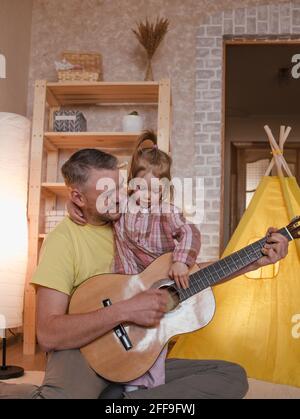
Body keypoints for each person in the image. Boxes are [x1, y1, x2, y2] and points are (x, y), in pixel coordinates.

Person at [0, 148, 289, 399]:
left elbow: (183, 276)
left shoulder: (134, 218)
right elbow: (49, 334)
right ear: (77, 197)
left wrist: (255, 260)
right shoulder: (64, 240)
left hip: (135, 355)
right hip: (82, 351)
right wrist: (126, 310)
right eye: (105, 192)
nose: (119, 197)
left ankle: (119, 400)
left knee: (231, 377)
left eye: (120, 186)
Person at [67, 131, 201, 391]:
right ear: (130, 184)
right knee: (121, 334)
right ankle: (123, 376)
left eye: (156, 189)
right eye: (142, 187)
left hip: (157, 287)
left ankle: (148, 387)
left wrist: (182, 261)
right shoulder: (122, 207)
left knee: (155, 339)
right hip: (126, 287)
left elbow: (190, 232)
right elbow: (96, 205)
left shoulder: (167, 212)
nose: (149, 195)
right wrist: (74, 205)